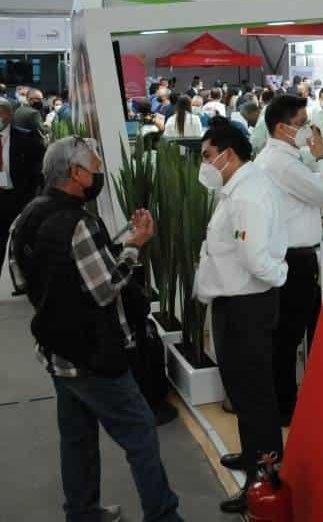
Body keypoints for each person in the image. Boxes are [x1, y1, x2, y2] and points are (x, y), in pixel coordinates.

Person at [9, 136, 181, 522]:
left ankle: (82, 512)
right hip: (95, 354)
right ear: (75, 173)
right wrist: (134, 246)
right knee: (140, 432)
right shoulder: (79, 224)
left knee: (77, 437)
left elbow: (22, 278)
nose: (99, 174)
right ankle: (163, 515)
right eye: (95, 168)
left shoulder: (26, 216)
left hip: (57, 352)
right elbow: (105, 289)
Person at [195, 119, 287, 514]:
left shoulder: (248, 195)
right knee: (244, 392)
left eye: (207, 156)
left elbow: (255, 259)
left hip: (246, 307)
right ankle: (253, 456)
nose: (204, 164)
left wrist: (279, 275)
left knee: (254, 397)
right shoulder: (236, 188)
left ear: (228, 155)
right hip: (234, 304)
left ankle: (263, 477)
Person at [255, 96, 323, 427]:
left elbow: (292, 206)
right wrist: (322, 157)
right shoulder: (283, 164)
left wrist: (317, 219)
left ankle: (289, 403)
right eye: (302, 123)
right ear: (282, 128)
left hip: (289, 255)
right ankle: (286, 407)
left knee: (290, 336)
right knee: (289, 338)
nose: (309, 130)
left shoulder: (277, 160)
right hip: (295, 261)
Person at [0, 98, 44, 280]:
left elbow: (37, 170)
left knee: (23, 245)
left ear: (9, 114)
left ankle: (27, 280)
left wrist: (33, 198)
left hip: (19, 200)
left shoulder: (26, 138)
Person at [249, 89, 274, 155]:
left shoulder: (264, 119)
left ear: (262, 101)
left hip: (264, 154)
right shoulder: (281, 114)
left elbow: (254, 143)